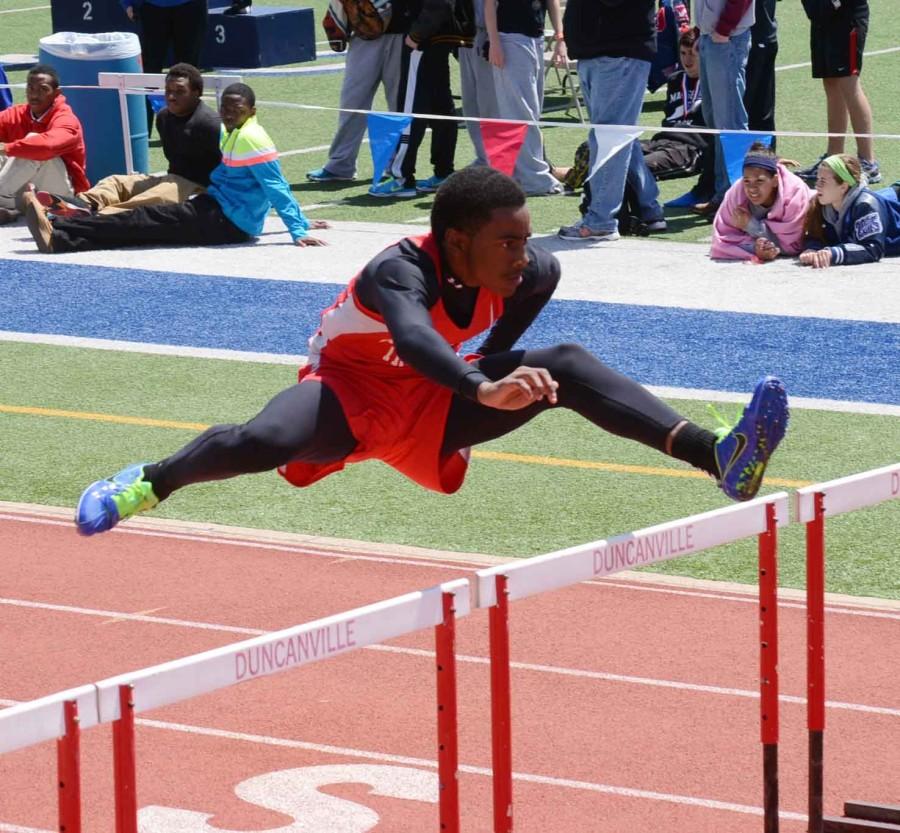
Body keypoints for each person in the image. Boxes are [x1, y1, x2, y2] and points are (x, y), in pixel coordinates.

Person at [74, 167, 790, 538]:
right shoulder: (398, 270)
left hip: (432, 404)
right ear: (455, 241)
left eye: (524, 237)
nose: (523, 255)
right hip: (347, 391)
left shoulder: (533, 273)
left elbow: (484, 337)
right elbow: (415, 339)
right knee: (262, 437)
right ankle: (147, 482)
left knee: (564, 363)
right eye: (506, 242)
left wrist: (484, 373)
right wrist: (479, 387)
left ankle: (717, 456)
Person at [23, 83, 327, 253]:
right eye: (225, 109)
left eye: (237, 111)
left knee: (143, 220)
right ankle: (64, 224)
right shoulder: (234, 131)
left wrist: (297, 228)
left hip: (227, 222)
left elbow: (275, 185)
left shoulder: (252, 138)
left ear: (252, 111)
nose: (229, 115)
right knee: (143, 222)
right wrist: (300, 219)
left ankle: (59, 234)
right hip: (216, 208)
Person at [35, 64, 220, 218]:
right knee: (116, 181)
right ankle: (81, 204)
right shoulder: (164, 117)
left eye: (180, 91)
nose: (171, 97)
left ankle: (98, 217)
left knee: (152, 197)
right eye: (169, 91)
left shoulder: (209, 124)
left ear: (197, 92)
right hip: (172, 178)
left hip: (200, 186)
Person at [558, 0, 666, 242]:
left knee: (609, 140)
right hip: (596, 49)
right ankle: (648, 208)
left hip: (619, 50)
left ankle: (601, 221)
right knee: (616, 138)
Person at [368, 0, 474, 197]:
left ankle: (403, 178)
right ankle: (444, 171)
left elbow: (440, 3)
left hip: (426, 38)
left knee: (410, 108)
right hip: (441, 35)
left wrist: (417, 34)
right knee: (441, 107)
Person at [307, 0, 410, 183]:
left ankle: (397, 165)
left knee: (399, 104)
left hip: (403, 33)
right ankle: (341, 165)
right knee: (352, 101)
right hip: (364, 34)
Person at [482, 0, 565, 195]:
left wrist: (560, 37)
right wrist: (494, 43)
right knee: (521, 112)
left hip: (536, 38)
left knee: (531, 112)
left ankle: (524, 174)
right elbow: (489, 5)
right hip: (510, 39)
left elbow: (552, 2)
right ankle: (533, 178)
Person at [795, 0, 880, 184]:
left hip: (847, 17)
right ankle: (834, 158)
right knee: (831, 83)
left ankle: (868, 162)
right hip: (823, 18)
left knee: (849, 83)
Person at [0, 65, 88, 225]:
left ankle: (3, 204)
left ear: (57, 93)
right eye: (30, 88)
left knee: (34, 143)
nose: (34, 94)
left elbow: (47, 146)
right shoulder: (16, 114)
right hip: (21, 192)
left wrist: (6, 148)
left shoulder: (67, 119)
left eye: (43, 89)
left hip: (59, 194)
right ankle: (8, 208)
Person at [691, 0, 755, 218]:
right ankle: (723, 195)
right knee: (716, 120)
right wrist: (702, 31)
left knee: (730, 123)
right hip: (714, 37)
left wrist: (723, 28)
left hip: (727, 38)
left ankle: (736, 200)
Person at [711, 143, 812, 261]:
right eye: (747, 181)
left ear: (775, 180)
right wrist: (756, 249)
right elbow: (722, 242)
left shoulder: (795, 194)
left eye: (759, 181)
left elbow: (793, 246)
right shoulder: (737, 194)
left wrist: (751, 226)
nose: (751, 188)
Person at [799, 154, 900, 268]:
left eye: (823, 181)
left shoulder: (866, 205)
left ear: (843, 186)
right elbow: (814, 235)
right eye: (817, 179)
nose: (817, 186)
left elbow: (873, 248)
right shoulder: (823, 203)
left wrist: (834, 253)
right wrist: (812, 248)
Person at [743, 0, 777, 140]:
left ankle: (763, 158)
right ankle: (764, 157)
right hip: (761, 36)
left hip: (756, 38)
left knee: (755, 111)